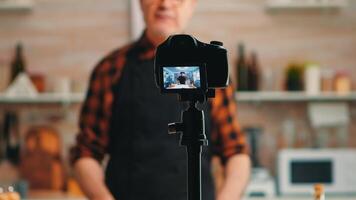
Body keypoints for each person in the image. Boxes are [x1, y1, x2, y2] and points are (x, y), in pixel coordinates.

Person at [70, 0, 251, 200]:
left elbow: (235, 152)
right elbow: (86, 153)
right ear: (140, 3)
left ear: (192, 5)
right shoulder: (111, 69)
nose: (165, 3)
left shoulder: (210, 69)